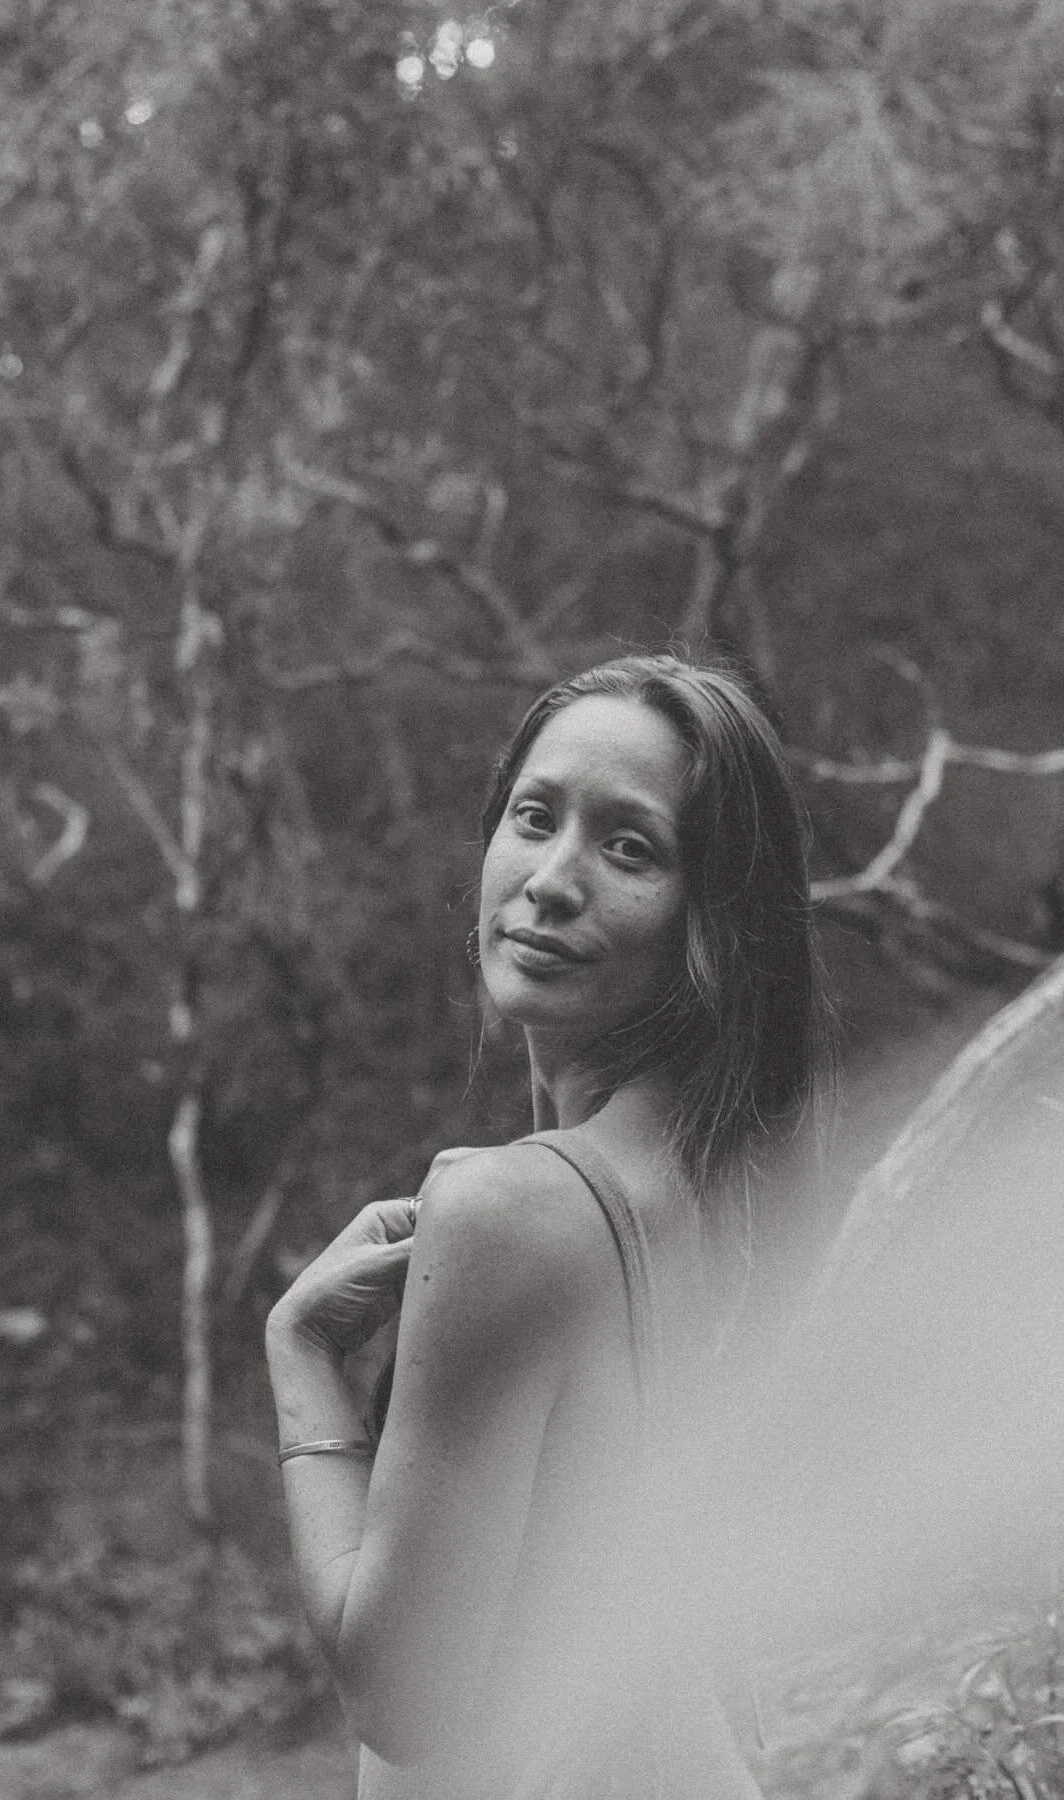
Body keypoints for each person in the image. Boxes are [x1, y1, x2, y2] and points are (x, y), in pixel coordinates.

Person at [265, 652, 826, 1797]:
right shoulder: (728, 1194)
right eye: (534, 817)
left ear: (710, 920)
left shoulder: (518, 1213)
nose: (552, 879)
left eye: (631, 847)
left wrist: (303, 1353)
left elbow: (401, 1701)